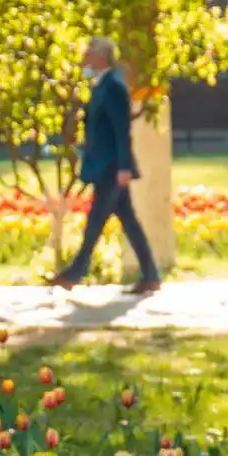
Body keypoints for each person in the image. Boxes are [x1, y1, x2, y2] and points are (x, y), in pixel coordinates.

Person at [48, 38, 162, 294]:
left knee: (96, 220)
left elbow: (122, 130)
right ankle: (151, 274)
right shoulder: (102, 85)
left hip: (111, 168)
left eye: (88, 54)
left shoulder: (113, 87)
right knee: (128, 221)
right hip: (105, 165)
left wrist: (124, 167)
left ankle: (75, 272)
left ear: (101, 57)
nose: (84, 60)